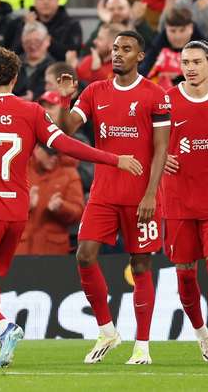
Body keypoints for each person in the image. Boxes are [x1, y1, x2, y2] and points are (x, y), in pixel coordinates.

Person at [0, 47, 141, 368]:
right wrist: (115, 158)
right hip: (17, 212)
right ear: (15, 77)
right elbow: (67, 144)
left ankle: (4, 327)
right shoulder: (31, 112)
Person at [56, 30, 170, 365]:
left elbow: (162, 147)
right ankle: (107, 330)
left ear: (141, 56)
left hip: (141, 195)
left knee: (141, 264)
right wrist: (65, 100)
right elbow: (66, 131)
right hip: (104, 192)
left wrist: (151, 193)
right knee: (84, 255)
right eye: (115, 48)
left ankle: (143, 346)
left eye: (126, 49)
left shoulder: (155, 94)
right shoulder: (94, 91)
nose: (118, 53)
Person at [161, 40, 208, 363]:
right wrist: (161, 156)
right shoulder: (165, 101)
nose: (190, 68)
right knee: (185, 274)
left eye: (196, 62)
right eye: (185, 62)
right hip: (177, 199)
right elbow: (145, 143)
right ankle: (201, 334)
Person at [18, 142, 83, 255]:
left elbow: (79, 211)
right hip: (21, 249)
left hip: (53, 252)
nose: (53, 158)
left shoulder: (69, 173)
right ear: (37, 150)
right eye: (49, 154)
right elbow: (2, 208)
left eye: (56, 154)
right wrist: (24, 205)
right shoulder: (20, 169)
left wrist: (61, 207)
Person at [13, 0, 82, 61]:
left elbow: (71, 56)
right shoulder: (23, 23)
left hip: (59, 70)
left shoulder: (72, 25)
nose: (45, 2)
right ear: (34, 2)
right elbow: (14, 54)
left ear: (57, 1)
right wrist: (27, 29)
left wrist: (41, 34)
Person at [12, 21, 55, 100]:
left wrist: (35, 97)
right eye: (27, 42)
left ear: (47, 40)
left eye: (37, 41)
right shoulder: (12, 65)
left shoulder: (55, 68)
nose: (32, 46)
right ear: (22, 42)